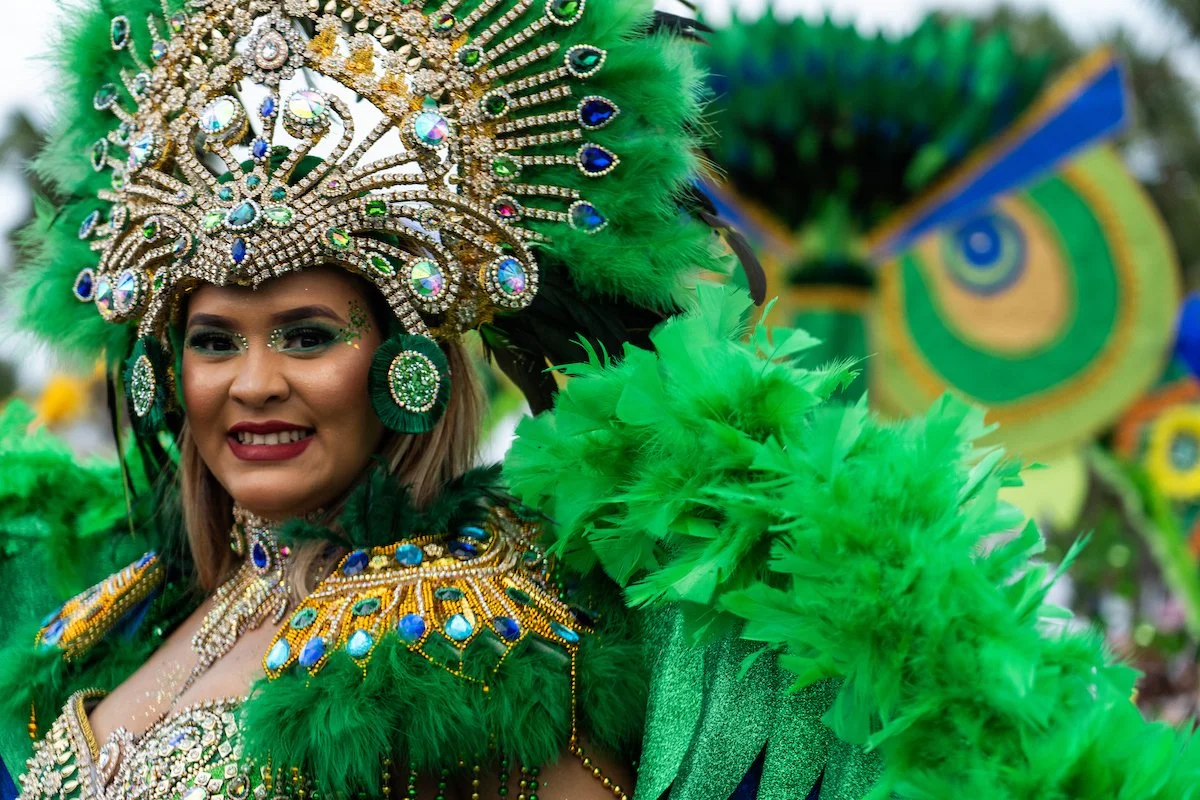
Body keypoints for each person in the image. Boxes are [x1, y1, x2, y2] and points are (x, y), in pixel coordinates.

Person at [2, 0, 1199, 798]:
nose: (253, 382)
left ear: (405, 354)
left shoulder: (484, 639)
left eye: (307, 333)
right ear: (167, 365)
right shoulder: (115, 615)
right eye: (215, 339)